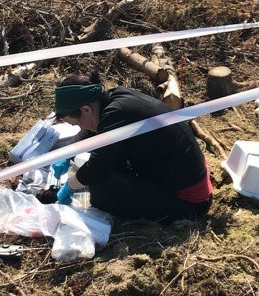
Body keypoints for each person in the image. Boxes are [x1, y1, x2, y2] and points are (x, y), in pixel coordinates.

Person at [53, 73, 213, 223]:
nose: (80, 128)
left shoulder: (116, 115)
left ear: (86, 109)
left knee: (101, 187)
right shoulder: (115, 99)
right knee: (109, 169)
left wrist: (69, 187)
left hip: (188, 203)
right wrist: (69, 151)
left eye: (77, 123)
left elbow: (98, 167)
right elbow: (93, 131)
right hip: (188, 182)